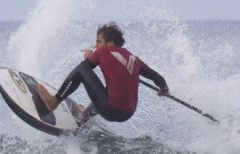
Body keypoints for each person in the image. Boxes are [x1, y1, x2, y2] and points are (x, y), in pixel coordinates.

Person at [37, 22, 169, 124]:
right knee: (110, 91)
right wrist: (163, 89)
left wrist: (89, 56)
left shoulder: (103, 51)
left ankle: (53, 102)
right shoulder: (134, 59)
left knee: (82, 70)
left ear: (110, 43)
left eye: (98, 42)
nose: (95, 45)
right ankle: (84, 117)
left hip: (110, 110)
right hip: (127, 114)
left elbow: (87, 67)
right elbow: (159, 78)